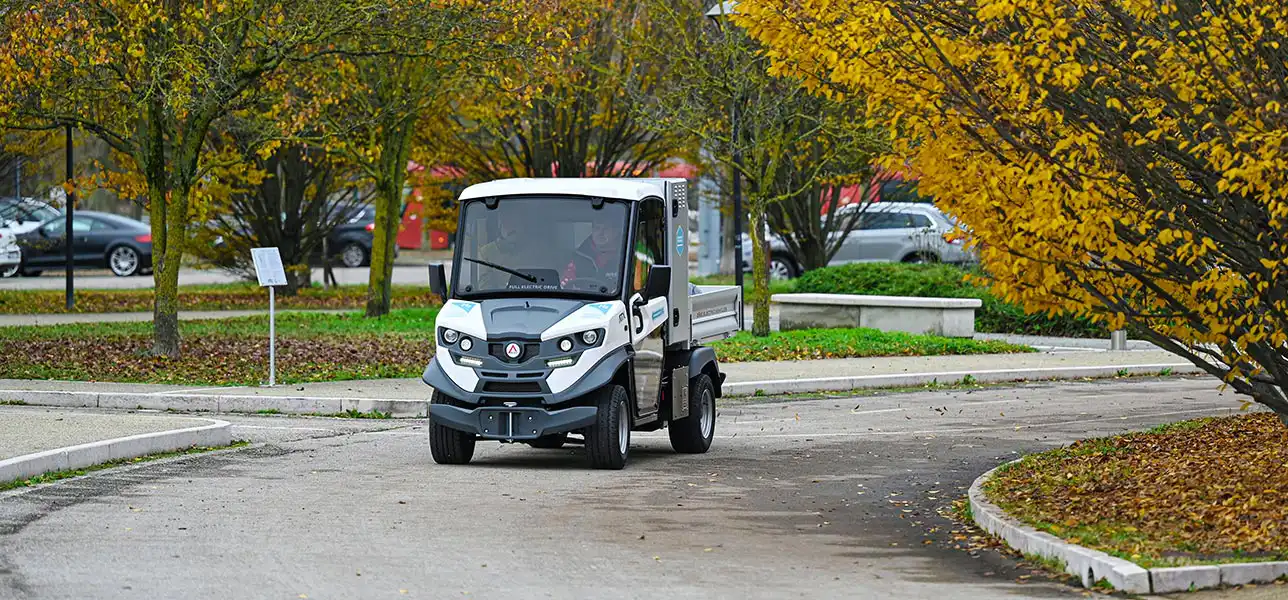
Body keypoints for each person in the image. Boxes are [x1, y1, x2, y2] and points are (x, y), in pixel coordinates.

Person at [562, 217, 624, 288]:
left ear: (616, 231)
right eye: (597, 228)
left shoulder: (625, 255)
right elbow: (566, 284)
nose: (600, 233)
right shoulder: (579, 257)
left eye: (606, 229)